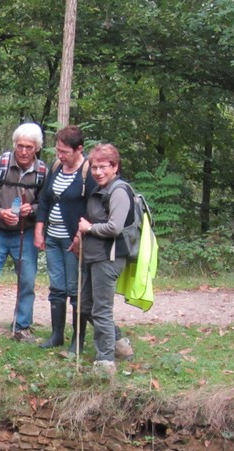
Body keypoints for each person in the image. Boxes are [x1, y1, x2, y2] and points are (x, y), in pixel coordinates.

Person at [0, 123, 47, 345]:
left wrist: (31, 210)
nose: (24, 152)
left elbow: (47, 203)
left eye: (29, 147)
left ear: (37, 148)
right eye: (20, 146)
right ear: (14, 144)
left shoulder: (43, 172)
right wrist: (0, 212)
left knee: (27, 281)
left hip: (27, 234)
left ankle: (22, 327)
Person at [33, 125, 96, 350]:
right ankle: (56, 335)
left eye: (64, 151)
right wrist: (39, 230)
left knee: (74, 289)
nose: (60, 155)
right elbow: (45, 200)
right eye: (58, 150)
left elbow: (94, 208)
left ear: (79, 149)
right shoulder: (57, 167)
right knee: (56, 288)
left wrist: (80, 236)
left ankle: (77, 340)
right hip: (53, 238)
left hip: (74, 242)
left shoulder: (89, 172)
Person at [77, 143, 137, 377]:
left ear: (115, 167)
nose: (98, 172)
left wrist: (89, 228)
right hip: (94, 255)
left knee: (101, 309)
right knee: (86, 306)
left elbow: (115, 227)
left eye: (103, 167)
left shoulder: (119, 191)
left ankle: (105, 362)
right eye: (94, 167)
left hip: (109, 257)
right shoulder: (102, 188)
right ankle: (119, 342)